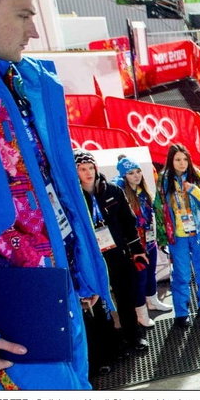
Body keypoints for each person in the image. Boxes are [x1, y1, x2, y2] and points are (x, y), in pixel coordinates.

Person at [0, 0, 113, 389]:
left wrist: (80, 271)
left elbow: (57, 191)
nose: (34, 30)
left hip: (58, 298)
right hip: (0, 324)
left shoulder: (25, 81)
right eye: (23, 15)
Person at [74, 149, 150, 352]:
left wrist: (136, 249)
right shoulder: (73, 197)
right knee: (97, 300)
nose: (88, 173)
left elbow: (128, 222)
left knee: (125, 295)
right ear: (76, 172)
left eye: (91, 167)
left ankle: (134, 336)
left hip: (117, 253)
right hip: (92, 256)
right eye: (83, 169)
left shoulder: (112, 191)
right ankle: (109, 345)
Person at [154, 144, 200, 327]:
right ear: (171, 161)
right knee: (181, 274)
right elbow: (159, 209)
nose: (182, 163)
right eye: (177, 160)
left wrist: (193, 190)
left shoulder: (199, 176)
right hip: (178, 236)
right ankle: (181, 312)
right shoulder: (164, 180)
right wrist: (163, 237)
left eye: (184, 159)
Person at [112, 155, 173, 328]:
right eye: (131, 173)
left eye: (138, 171)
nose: (136, 176)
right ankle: (141, 314)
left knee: (150, 274)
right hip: (135, 246)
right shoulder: (121, 194)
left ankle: (152, 301)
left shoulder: (143, 192)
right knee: (139, 279)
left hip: (150, 242)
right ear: (124, 176)